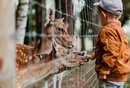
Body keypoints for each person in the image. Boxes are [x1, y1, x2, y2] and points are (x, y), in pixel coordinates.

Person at [88, 0, 130, 88]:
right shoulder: (119, 30)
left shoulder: (107, 30)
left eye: (99, 15)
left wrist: (104, 70)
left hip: (110, 76)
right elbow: (117, 49)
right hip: (120, 74)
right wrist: (97, 54)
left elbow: (111, 52)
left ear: (103, 15)